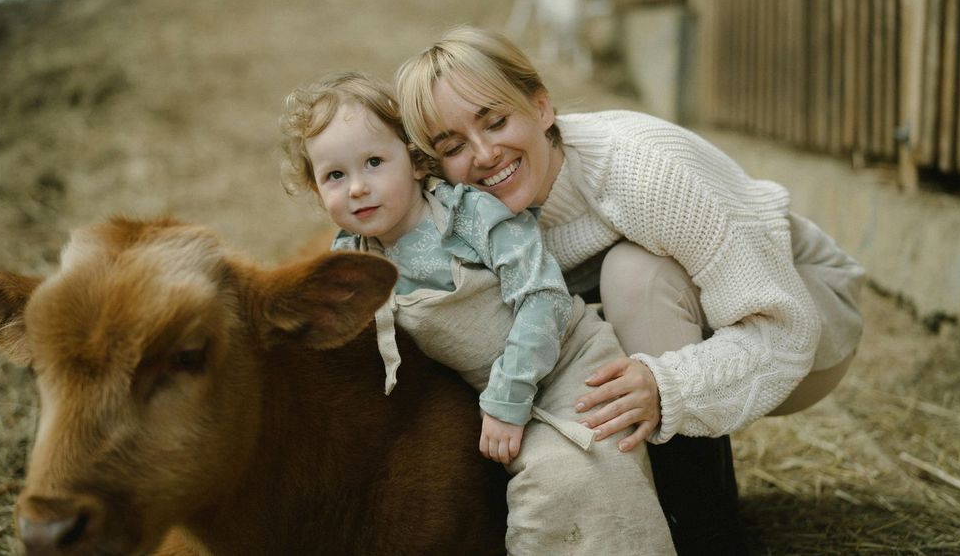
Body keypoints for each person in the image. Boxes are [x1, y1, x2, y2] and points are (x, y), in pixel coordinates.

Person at [395, 26, 866, 555]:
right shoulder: (464, 213)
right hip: (697, 323)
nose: (483, 154)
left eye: (497, 121)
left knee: (634, 274)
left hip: (804, 320)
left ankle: (707, 536)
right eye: (454, 146)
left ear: (542, 107)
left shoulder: (643, 169)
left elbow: (784, 329)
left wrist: (667, 387)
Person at [278, 72, 676, 555]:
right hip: (493, 394)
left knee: (569, 480)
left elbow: (543, 299)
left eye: (375, 162)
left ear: (415, 161)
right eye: (335, 176)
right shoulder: (354, 260)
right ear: (315, 189)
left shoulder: (467, 215)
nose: (358, 188)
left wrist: (507, 400)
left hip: (570, 366)